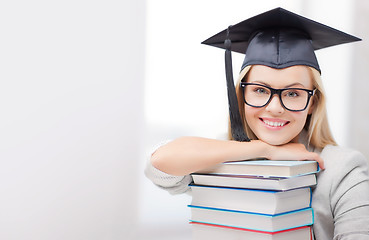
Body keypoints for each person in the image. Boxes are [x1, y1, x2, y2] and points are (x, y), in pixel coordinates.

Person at [145, 8, 369, 240]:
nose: (275, 107)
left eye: (293, 93)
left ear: (312, 102)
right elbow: (159, 164)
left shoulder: (343, 169)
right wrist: (265, 150)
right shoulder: (220, 156)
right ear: (241, 97)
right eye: (260, 90)